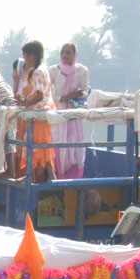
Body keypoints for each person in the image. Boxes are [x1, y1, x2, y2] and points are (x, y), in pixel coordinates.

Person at [14, 41, 56, 183]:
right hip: (42, 114)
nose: (24, 60)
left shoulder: (37, 72)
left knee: (37, 147)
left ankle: (33, 177)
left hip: (38, 114)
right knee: (42, 148)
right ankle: (45, 176)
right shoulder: (43, 70)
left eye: (25, 56)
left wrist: (24, 103)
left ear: (31, 56)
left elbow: (39, 95)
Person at [49, 43, 90, 179]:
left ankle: (72, 180)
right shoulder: (53, 70)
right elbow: (47, 94)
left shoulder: (82, 71)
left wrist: (78, 94)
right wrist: (63, 98)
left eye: (68, 52)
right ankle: (58, 177)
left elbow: (85, 91)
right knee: (58, 143)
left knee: (74, 146)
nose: (65, 55)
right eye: (63, 52)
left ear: (74, 54)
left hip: (74, 114)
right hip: (58, 113)